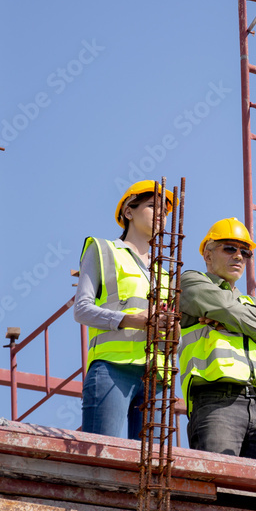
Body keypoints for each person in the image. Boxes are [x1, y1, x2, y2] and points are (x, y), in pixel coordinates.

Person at [178, 218, 256, 460]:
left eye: (245, 252)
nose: (239, 256)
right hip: (215, 400)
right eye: (230, 248)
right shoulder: (190, 282)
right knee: (217, 484)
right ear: (207, 254)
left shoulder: (250, 302)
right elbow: (228, 309)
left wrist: (231, 318)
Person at [74, 180, 175, 439]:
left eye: (164, 211)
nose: (161, 215)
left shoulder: (164, 273)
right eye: (153, 206)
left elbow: (176, 339)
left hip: (156, 375)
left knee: (151, 468)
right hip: (112, 368)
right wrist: (131, 319)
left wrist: (173, 328)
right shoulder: (104, 250)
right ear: (128, 212)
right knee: (102, 453)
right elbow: (82, 310)